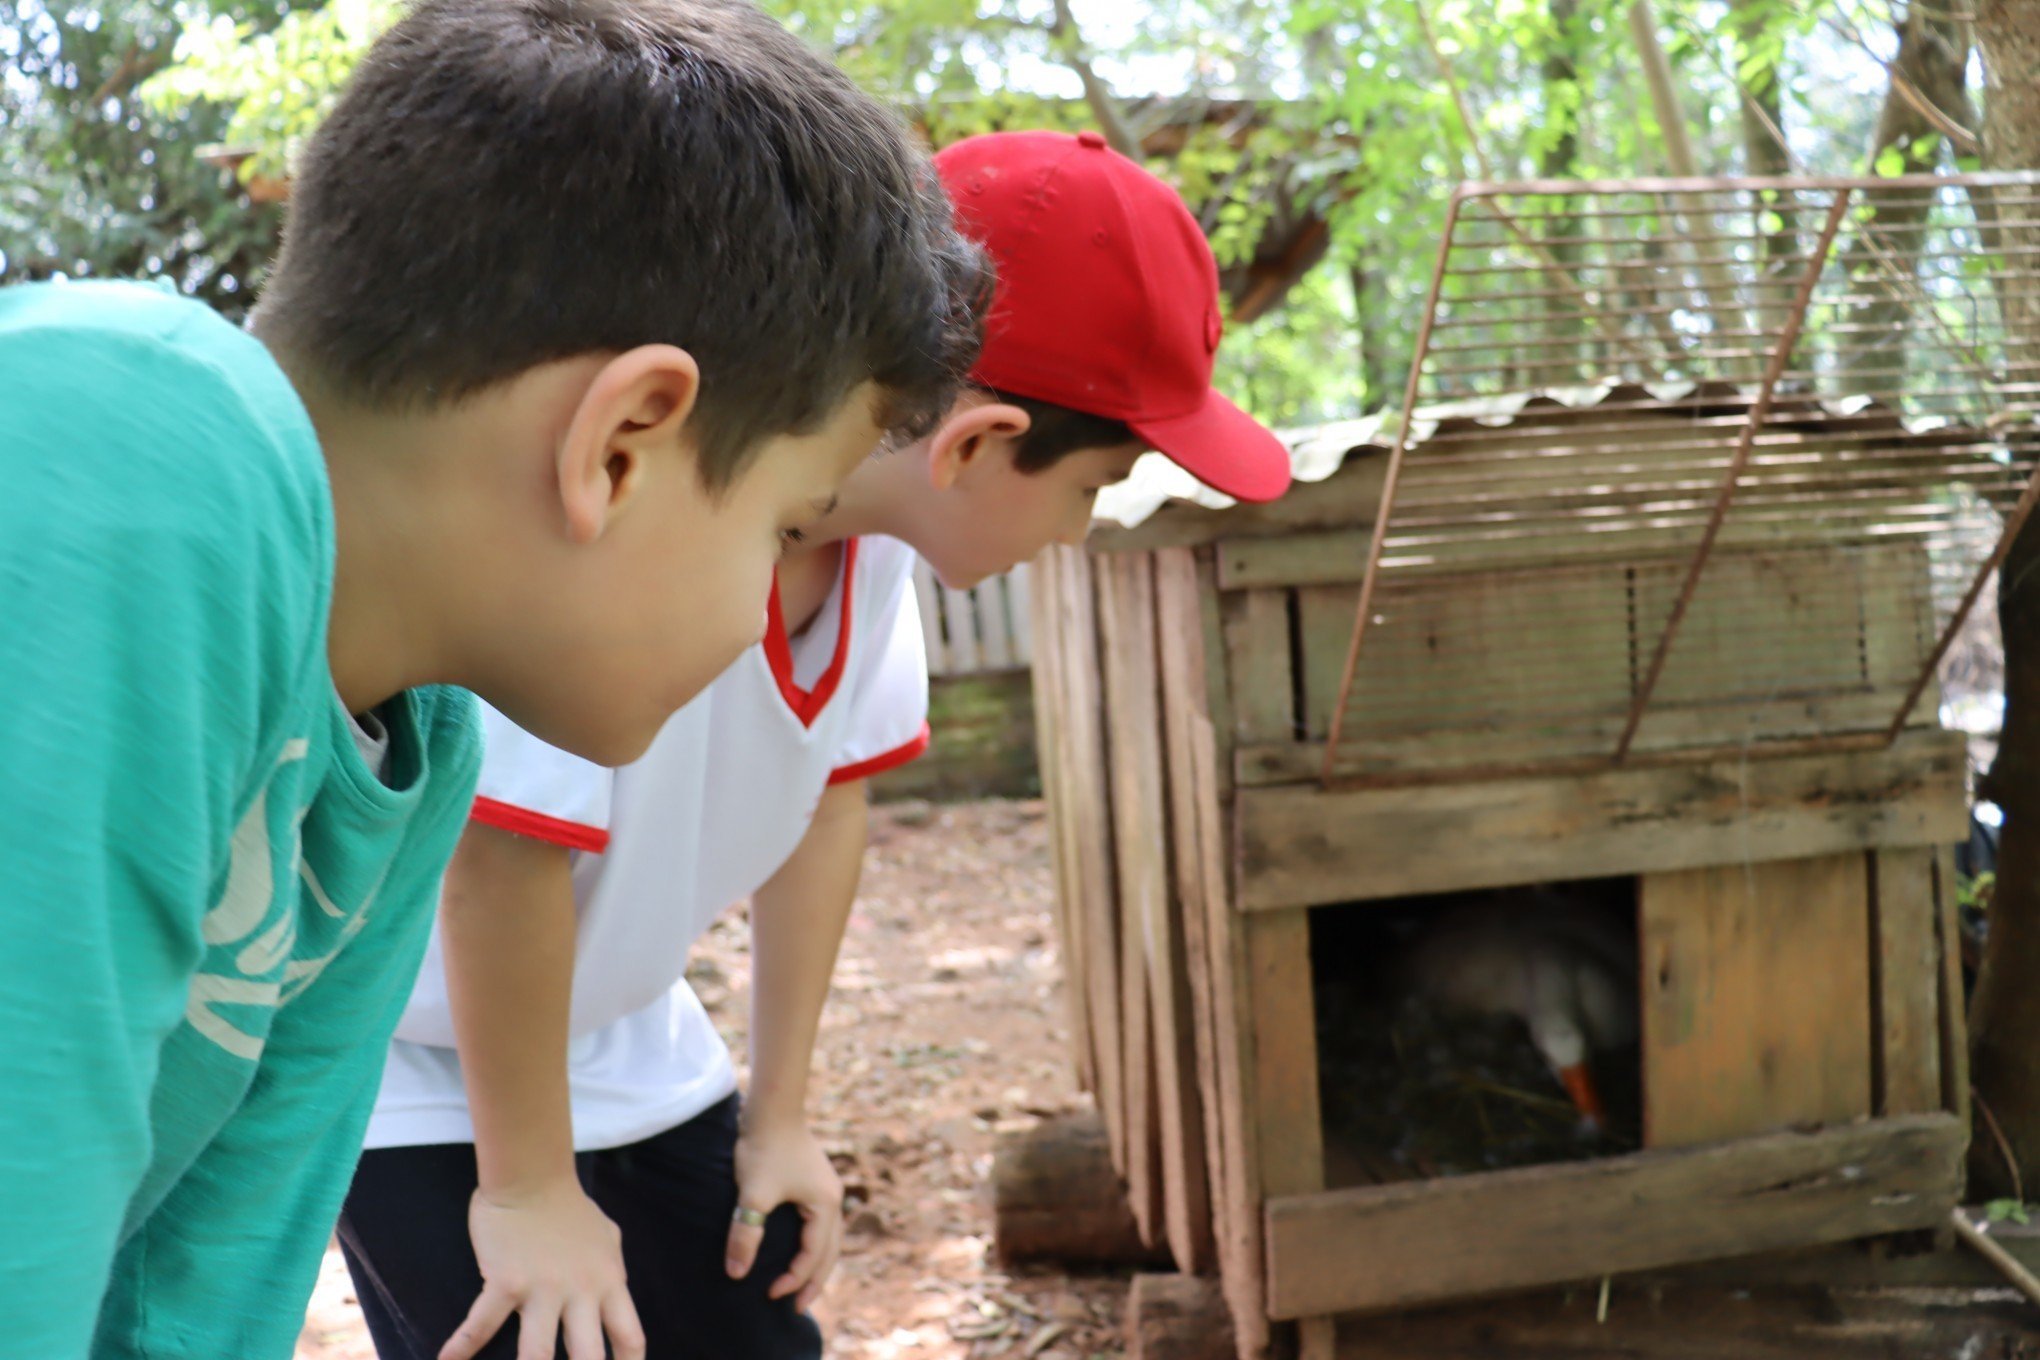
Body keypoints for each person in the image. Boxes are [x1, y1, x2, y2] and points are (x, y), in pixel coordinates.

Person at [0, 0, 987, 1353]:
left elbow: (196, 1298)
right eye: (785, 525)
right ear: (623, 445)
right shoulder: (127, 456)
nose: (772, 594)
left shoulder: (414, 761)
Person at [336, 128, 1292, 1360]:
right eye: (1092, 487)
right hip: (423, 1050)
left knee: (762, 1326)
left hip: (622, 1024)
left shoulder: (877, 556)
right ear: (977, 444)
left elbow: (827, 800)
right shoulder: (643, 524)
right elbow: (498, 852)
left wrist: (779, 1110)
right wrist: (528, 1190)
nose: (1078, 532)